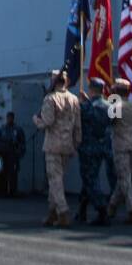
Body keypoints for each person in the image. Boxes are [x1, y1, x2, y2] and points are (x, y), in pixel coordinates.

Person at [33, 69, 81, 228]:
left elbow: (47, 122)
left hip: (53, 144)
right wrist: (76, 143)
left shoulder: (50, 98)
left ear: (53, 82)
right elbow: (78, 126)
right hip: (67, 145)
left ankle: (63, 212)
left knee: (54, 180)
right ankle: (52, 213)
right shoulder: (74, 99)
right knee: (58, 180)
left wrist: (36, 121)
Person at [77, 80, 114, 224]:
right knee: (89, 178)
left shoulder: (85, 107)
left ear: (91, 89)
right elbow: (113, 122)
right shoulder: (109, 106)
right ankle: (82, 210)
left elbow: (80, 121)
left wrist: (84, 103)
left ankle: (102, 210)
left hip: (88, 148)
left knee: (90, 179)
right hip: (102, 147)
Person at [106, 79, 132, 224]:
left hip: (121, 145)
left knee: (125, 179)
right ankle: (112, 205)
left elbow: (110, 120)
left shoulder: (116, 104)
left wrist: (111, 99)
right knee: (124, 177)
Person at [0, 111, 27, 197]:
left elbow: (22, 142)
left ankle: (13, 191)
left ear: (13, 118)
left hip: (13, 155)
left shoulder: (18, 129)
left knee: (13, 173)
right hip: (4, 155)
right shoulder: (2, 129)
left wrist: (20, 153)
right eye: (8, 118)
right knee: (3, 172)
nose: (9, 119)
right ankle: (3, 190)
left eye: (11, 118)